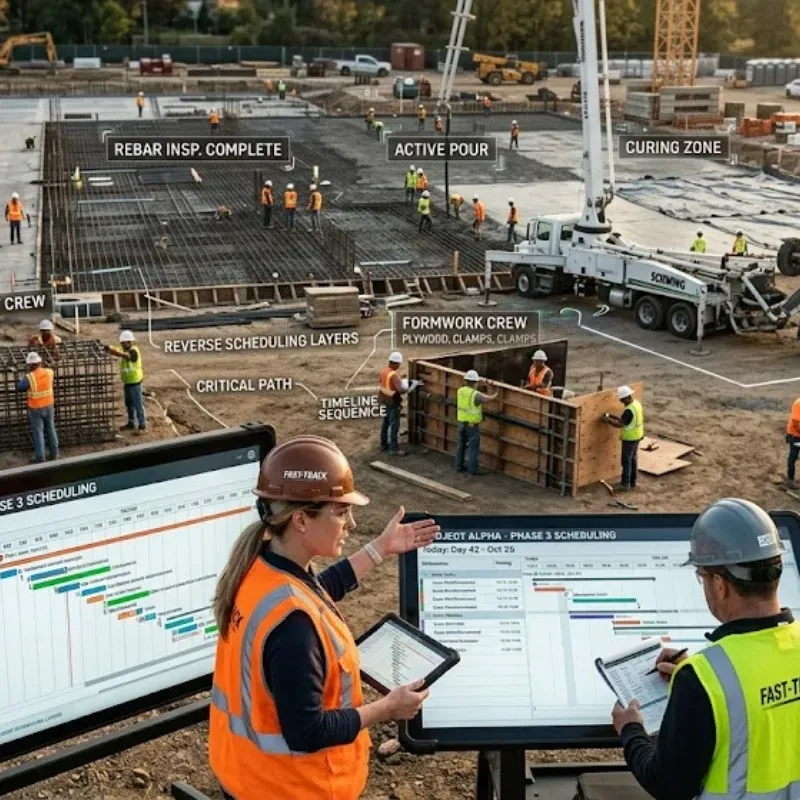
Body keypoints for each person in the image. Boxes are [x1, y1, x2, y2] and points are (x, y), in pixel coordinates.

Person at [208, 436, 438, 800]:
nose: (351, 522)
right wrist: (386, 708)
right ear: (301, 519)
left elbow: (317, 587)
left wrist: (380, 548)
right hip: (292, 789)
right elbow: (307, 731)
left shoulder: (259, 568)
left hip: (248, 777)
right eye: (340, 511)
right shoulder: (293, 626)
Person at [611, 498, 800, 800]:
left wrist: (631, 730)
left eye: (701, 576)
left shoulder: (702, 680)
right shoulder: (705, 680)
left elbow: (668, 785)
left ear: (719, 584)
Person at [16, 351, 59, 463]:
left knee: (38, 432)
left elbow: (20, 387)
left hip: (35, 408)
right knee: (51, 428)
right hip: (49, 405)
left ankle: (40, 458)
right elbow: (51, 369)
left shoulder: (29, 377)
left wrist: (21, 378)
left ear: (31, 364)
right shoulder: (50, 372)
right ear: (40, 362)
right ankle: (54, 454)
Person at [454, 369, 498, 476]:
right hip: (471, 425)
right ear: (475, 382)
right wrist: (497, 391)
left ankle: (458, 466)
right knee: (473, 447)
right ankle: (472, 470)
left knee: (461, 445)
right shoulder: (475, 395)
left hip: (461, 422)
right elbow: (490, 398)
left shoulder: (460, 391)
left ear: (465, 381)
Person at [105, 330, 146, 434]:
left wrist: (114, 351)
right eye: (122, 343)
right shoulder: (123, 349)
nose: (123, 344)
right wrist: (108, 348)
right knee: (129, 404)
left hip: (135, 382)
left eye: (124, 343)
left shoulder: (134, 351)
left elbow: (125, 356)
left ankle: (142, 424)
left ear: (130, 342)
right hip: (127, 382)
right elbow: (116, 350)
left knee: (138, 404)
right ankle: (131, 422)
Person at [603, 385, 643, 491]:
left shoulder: (629, 411)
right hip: (638, 435)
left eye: (622, 400)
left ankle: (625, 484)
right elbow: (624, 420)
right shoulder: (636, 404)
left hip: (630, 438)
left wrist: (608, 420)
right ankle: (632, 481)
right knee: (633, 459)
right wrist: (612, 417)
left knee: (626, 461)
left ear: (626, 397)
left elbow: (620, 424)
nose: (622, 402)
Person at [378, 351, 409, 456]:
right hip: (393, 402)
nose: (399, 366)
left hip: (385, 400)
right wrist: (409, 388)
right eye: (399, 364)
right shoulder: (393, 375)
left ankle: (383, 444)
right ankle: (394, 449)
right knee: (394, 425)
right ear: (395, 363)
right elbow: (400, 390)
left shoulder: (384, 371)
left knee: (385, 424)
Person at [786, 395, 800, 489]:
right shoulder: (798, 404)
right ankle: (790, 480)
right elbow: (797, 425)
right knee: (793, 457)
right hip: (795, 435)